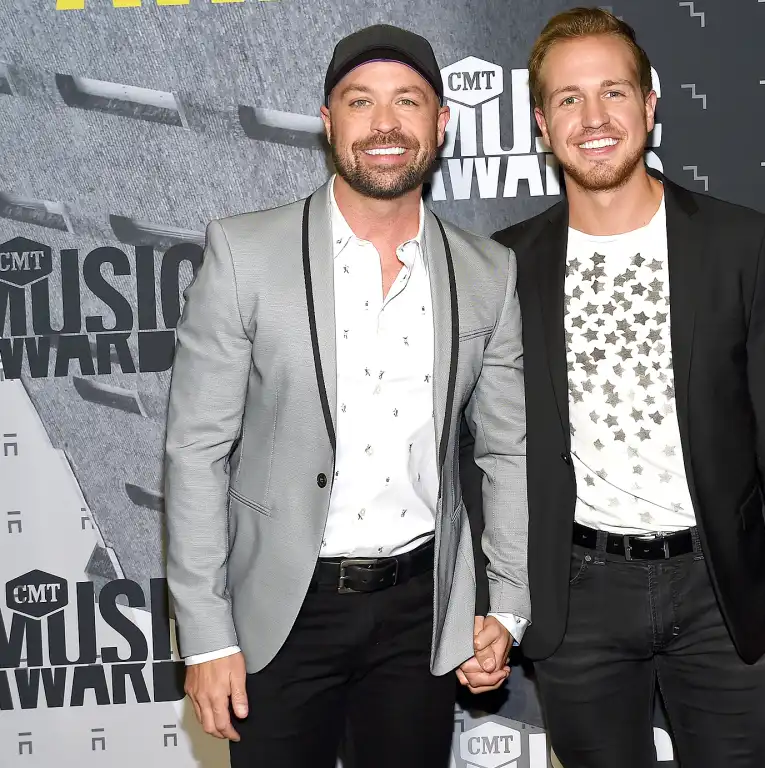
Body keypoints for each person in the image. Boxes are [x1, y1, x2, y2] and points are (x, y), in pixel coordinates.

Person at [460, 7, 765, 766]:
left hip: (719, 591)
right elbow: (479, 450)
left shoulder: (738, 242)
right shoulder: (505, 265)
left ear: (650, 105)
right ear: (541, 121)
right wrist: (482, 602)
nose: (593, 118)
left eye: (614, 93)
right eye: (569, 99)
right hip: (577, 593)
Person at [164, 23, 529, 768]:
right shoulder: (245, 254)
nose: (385, 124)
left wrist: (510, 604)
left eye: (408, 101)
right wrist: (206, 634)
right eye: (360, 102)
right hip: (281, 610)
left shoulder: (489, 273)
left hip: (418, 614)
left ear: (441, 123)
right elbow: (196, 452)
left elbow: (507, 449)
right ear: (329, 123)